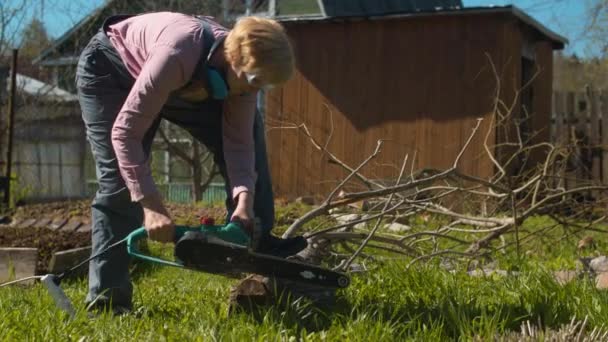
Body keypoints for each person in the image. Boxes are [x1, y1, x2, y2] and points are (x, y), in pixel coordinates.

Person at [75, 11, 295, 313]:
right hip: (111, 71)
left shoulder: (243, 80)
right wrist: (151, 206)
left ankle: (256, 249)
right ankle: (107, 301)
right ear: (233, 58)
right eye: (255, 81)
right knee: (120, 181)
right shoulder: (177, 53)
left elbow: (240, 147)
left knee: (252, 135)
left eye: (264, 86)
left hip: (186, 77)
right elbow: (125, 134)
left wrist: (245, 201)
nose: (255, 90)